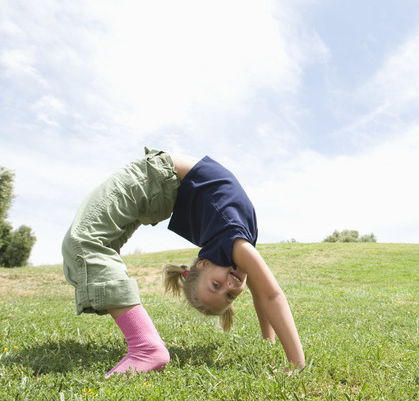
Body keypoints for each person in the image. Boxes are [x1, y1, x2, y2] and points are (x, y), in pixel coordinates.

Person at [61, 148, 304, 378]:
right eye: (224, 291)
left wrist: (275, 346)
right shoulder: (237, 245)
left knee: (83, 241)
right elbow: (267, 296)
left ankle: (146, 347)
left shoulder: (235, 248)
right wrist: (293, 360)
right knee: (85, 241)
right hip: (159, 179)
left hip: (158, 185)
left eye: (221, 289)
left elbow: (262, 294)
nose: (231, 285)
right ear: (202, 264)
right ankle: (145, 345)